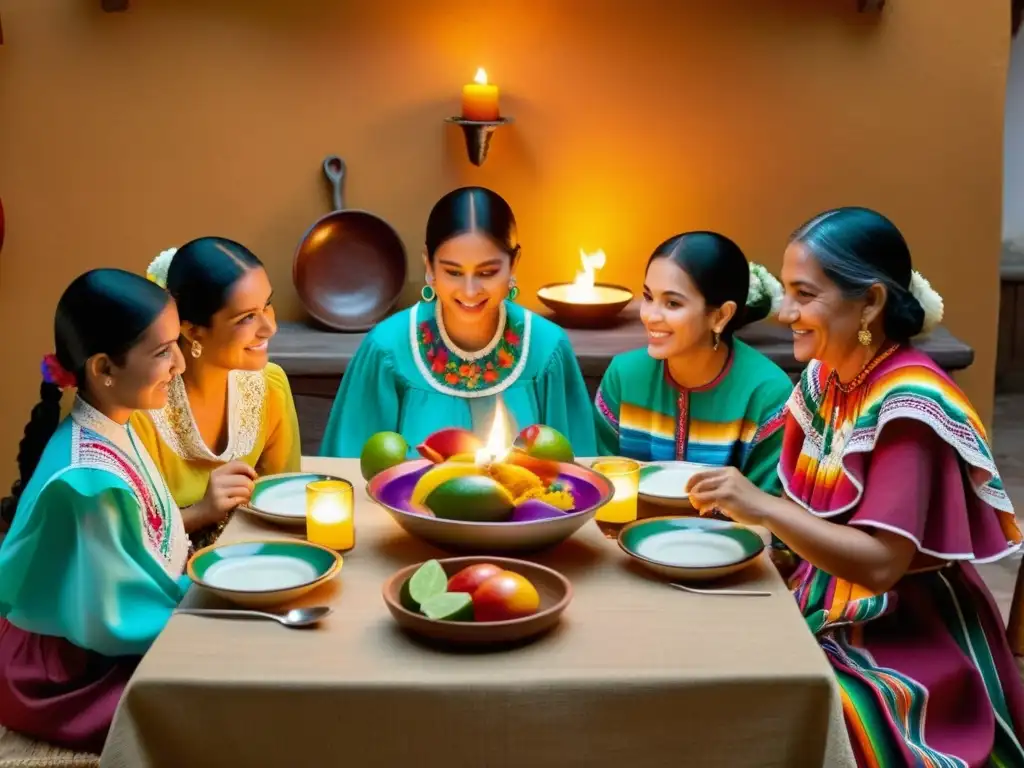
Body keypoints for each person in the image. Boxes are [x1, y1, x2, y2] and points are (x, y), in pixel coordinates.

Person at [686, 207, 1024, 767]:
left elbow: (879, 566)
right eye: (787, 292)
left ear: (869, 303)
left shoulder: (908, 406)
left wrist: (762, 507)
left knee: (793, 703)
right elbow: (807, 520)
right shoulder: (826, 376)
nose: (785, 313)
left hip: (903, 632)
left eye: (804, 295)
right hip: (823, 598)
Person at [0, 269, 189, 753]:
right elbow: (116, 619)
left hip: (101, 634)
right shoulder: (89, 483)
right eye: (163, 351)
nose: (181, 364)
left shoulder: (113, 425)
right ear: (105, 368)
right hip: (69, 672)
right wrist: (207, 604)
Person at [319, 187, 597, 458]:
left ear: (514, 264)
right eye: (453, 272)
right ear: (429, 266)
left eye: (487, 272)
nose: (470, 290)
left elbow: (575, 474)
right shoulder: (387, 350)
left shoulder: (547, 350)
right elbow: (351, 473)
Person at [132, 238, 301, 549]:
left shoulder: (270, 386)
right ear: (191, 329)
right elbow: (118, 541)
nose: (269, 327)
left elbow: (285, 501)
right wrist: (201, 512)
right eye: (246, 318)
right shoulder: (141, 411)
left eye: (267, 305)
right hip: (163, 587)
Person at [594, 231, 792, 494]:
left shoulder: (767, 394)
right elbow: (600, 485)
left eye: (672, 303)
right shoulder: (624, 376)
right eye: (649, 297)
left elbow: (767, 509)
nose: (651, 316)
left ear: (721, 315)